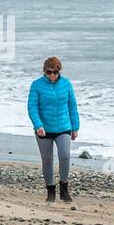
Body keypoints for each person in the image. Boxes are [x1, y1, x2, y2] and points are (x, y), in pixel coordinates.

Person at [27, 56, 79, 204]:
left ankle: (64, 188)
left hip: (64, 127)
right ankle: (50, 190)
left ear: (59, 71)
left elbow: (72, 107)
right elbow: (32, 108)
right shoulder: (36, 85)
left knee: (65, 155)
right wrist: (38, 126)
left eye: (55, 72)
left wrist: (75, 127)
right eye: (49, 72)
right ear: (44, 71)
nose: (52, 75)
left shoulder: (66, 84)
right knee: (47, 159)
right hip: (44, 129)